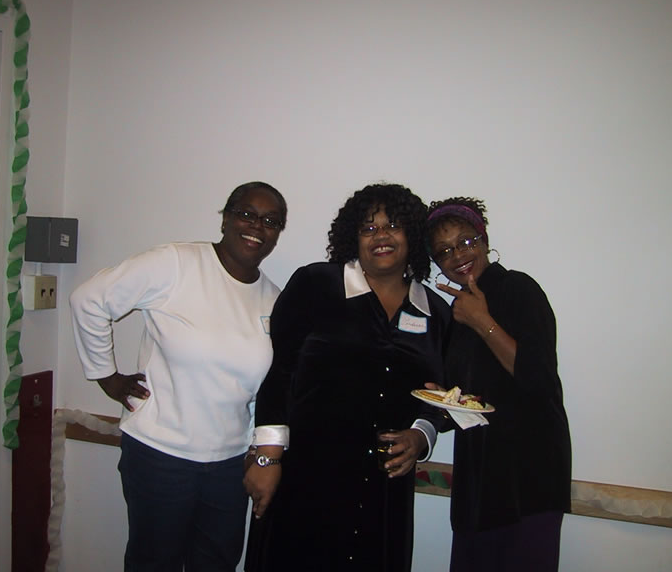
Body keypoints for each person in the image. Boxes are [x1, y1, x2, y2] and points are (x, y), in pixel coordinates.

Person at [69, 181, 287, 572]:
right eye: (247, 214)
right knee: (154, 563)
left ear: (277, 234)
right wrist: (106, 376)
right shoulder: (176, 263)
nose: (257, 226)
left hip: (229, 466)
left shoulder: (274, 299)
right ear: (225, 218)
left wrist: (262, 453)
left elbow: (269, 388)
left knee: (217, 564)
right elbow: (89, 300)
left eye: (271, 221)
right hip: (160, 457)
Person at [243, 183, 450, 572]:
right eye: (368, 228)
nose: (381, 236)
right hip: (306, 477)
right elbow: (281, 369)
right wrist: (267, 458)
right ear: (353, 238)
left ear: (412, 235)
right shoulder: (315, 284)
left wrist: (421, 435)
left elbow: (441, 396)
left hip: (384, 489)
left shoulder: (435, 313)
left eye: (393, 226)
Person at [425, 197, 572, 572]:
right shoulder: (456, 312)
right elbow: (469, 400)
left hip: (529, 476)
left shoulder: (518, 289)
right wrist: (441, 400)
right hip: (479, 477)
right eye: (444, 251)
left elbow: (538, 380)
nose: (458, 255)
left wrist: (483, 321)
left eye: (466, 241)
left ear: (484, 239)